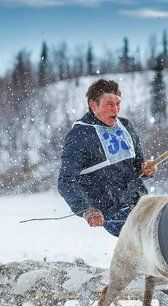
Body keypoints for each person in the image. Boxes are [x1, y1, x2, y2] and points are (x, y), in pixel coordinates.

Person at [57, 79, 158, 237]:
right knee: (150, 235)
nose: (115, 109)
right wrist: (87, 209)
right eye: (109, 104)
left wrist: (146, 170)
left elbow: (138, 166)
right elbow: (65, 180)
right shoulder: (80, 135)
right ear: (93, 105)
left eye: (118, 103)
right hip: (111, 210)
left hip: (139, 200)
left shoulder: (126, 127)